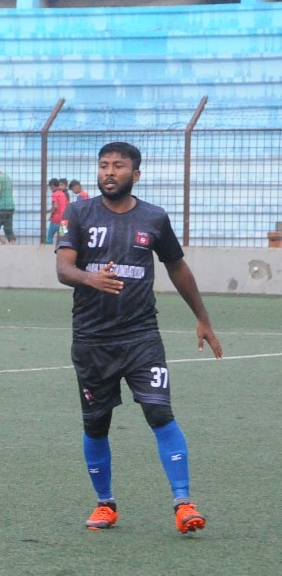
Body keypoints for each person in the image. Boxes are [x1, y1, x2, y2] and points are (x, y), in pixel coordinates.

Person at [55, 142, 223, 534]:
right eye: (103, 166)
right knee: (96, 423)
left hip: (141, 336)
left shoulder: (154, 218)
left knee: (159, 412)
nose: (109, 172)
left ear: (136, 174)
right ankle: (105, 504)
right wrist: (88, 277)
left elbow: (177, 266)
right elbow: (64, 268)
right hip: (92, 340)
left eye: (118, 166)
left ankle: (183, 502)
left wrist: (203, 317)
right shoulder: (78, 213)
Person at [46, 178, 69, 244]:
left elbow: (55, 206)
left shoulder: (54, 194)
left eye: (50, 188)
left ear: (52, 186)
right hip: (64, 219)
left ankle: (47, 251)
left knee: (49, 237)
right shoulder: (63, 194)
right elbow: (67, 205)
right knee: (63, 239)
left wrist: (51, 215)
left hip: (55, 220)